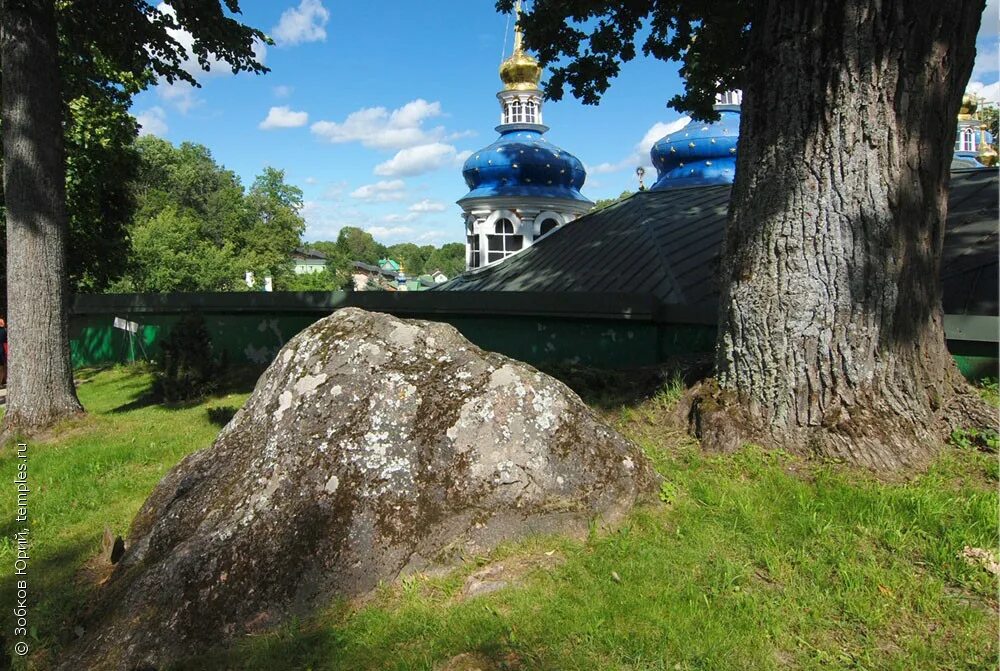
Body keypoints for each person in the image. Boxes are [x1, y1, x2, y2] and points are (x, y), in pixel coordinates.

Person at [0, 317, 8, 387]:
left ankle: (3, 381)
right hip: (2, 350)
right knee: (2, 366)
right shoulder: (3, 331)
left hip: (2, 350)